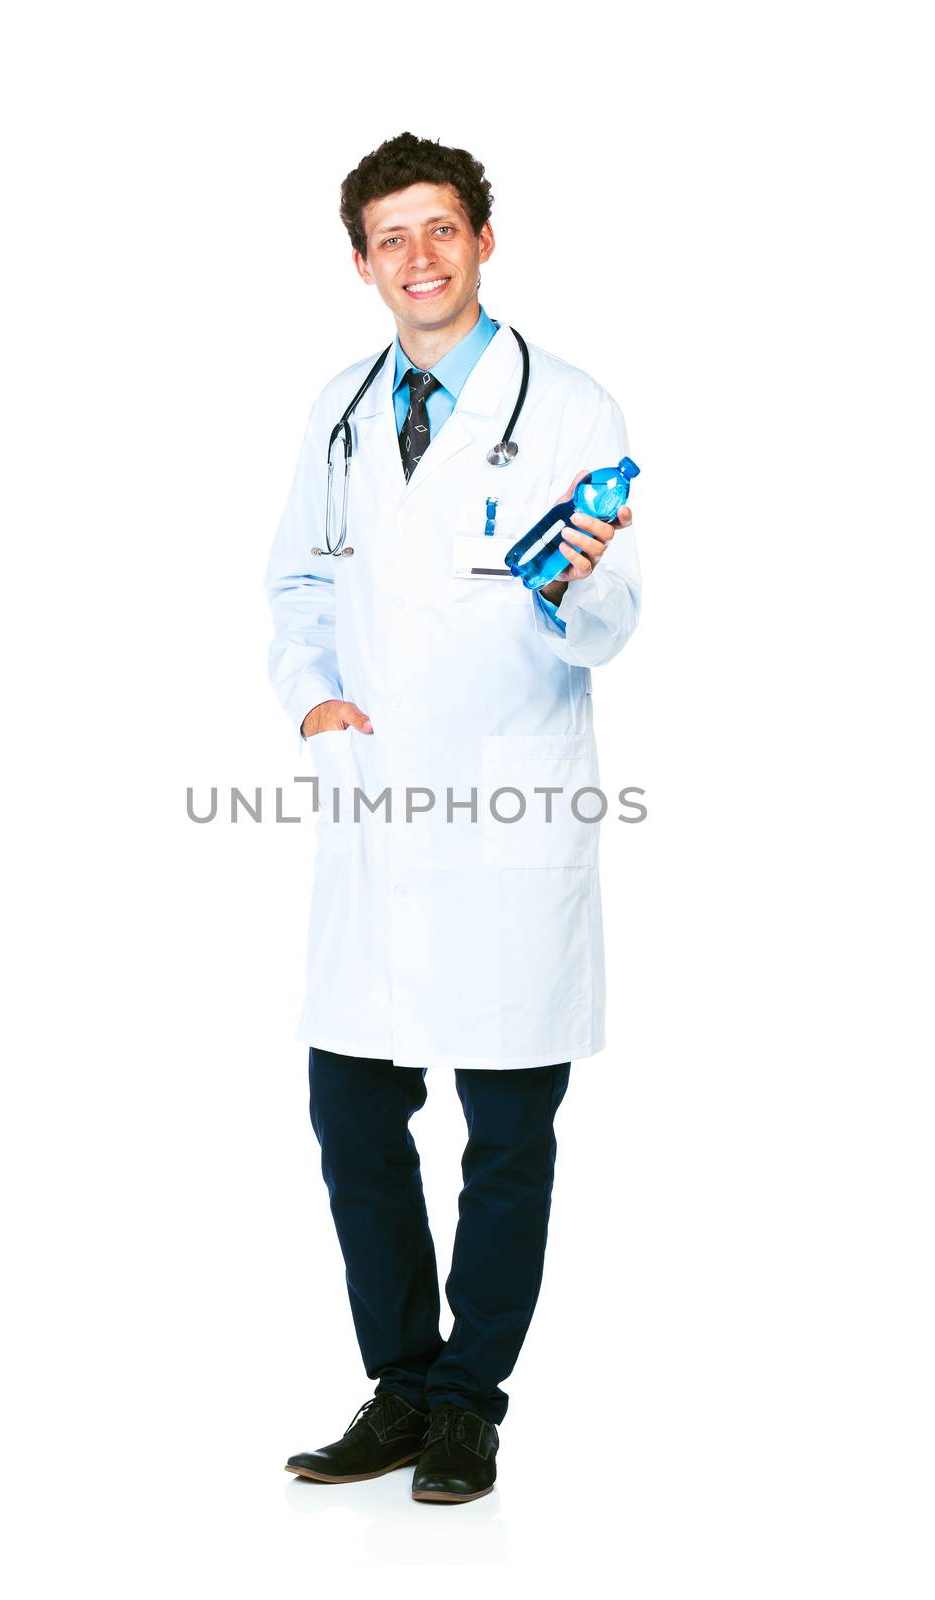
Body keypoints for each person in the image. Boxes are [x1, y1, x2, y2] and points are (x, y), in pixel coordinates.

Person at [262, 132, 642, 1504]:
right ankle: (400, 1384)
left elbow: (609, 624)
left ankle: (470, 1401)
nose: (419, 258)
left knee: (507, 1129)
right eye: (390, 239)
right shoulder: (341, 408)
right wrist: (312, 702)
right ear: (362, 263)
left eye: (442, 230)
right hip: (377, 815)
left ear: (484, 240)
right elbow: (301, 584)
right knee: (352, 1112)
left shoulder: (576, 408)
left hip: (510, 799)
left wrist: (573, 589)